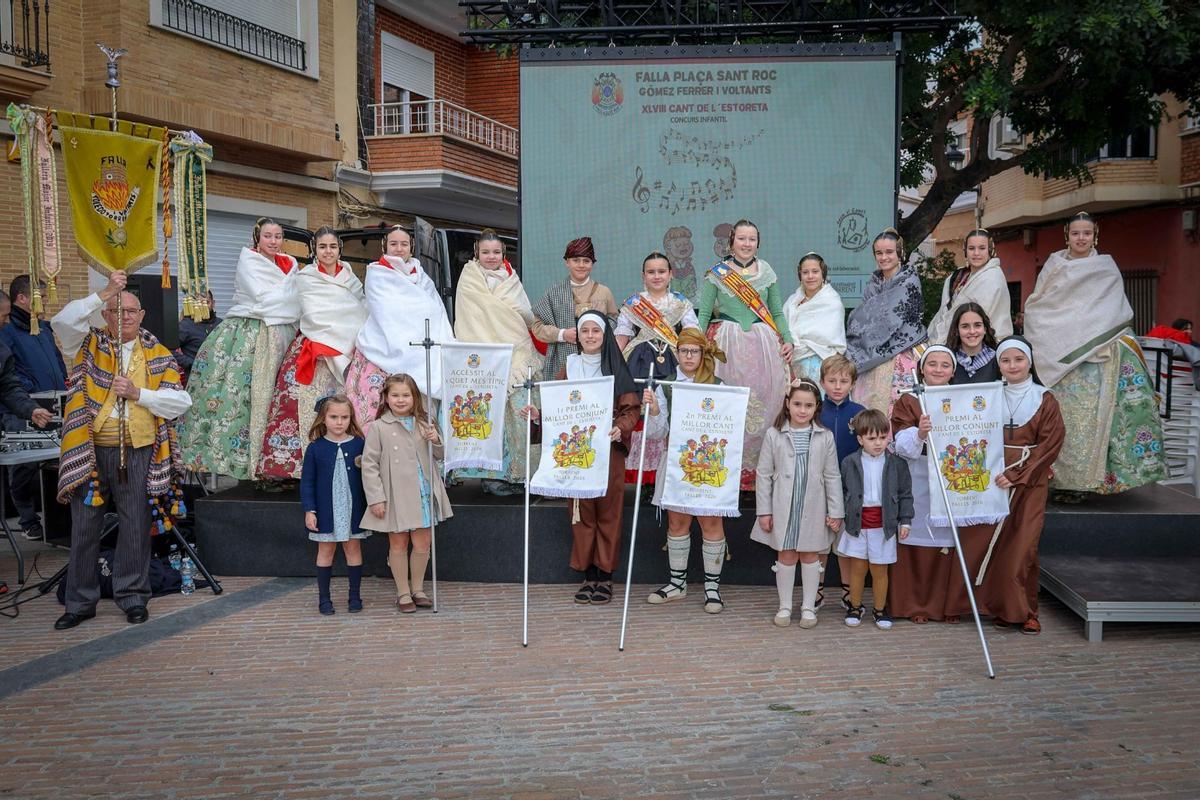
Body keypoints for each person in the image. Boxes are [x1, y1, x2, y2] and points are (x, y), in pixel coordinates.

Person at [51, 272, 192, 630]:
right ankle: (80, 602)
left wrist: (138, 394)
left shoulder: (159, 354)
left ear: (142, 315)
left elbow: (180, 402)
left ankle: (133, 597)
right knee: (83, 527)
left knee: (135, 525)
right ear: (105, 316)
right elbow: (62, 321)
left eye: (130, 310)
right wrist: (106, 292)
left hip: (139, 449)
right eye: (116, 310)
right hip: (92, 449)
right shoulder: (86, 344)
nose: (124, 316)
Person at [1023, 211, 1165, 496]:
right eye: (1075, 233)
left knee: (1096, 422)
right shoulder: (1054, 265)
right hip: (1060, 360)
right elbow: (1038, 307)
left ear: (1095, 235)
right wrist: (1059, 338)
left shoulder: (1105, 267)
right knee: (1066, 422)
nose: (1081, 238)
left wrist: (1090, 336)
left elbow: (1110, 312)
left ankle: (1092, 482)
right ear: (1067, 235)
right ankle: (1060, 482)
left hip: (1098, 356)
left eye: (1086, 233)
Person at [521, 312, 641, 605]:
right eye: (584, 331)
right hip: (576, 453)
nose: (589, 336)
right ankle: (588, 575)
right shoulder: (570, 365)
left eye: (595, 331)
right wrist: (540, 417)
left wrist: (620, 428)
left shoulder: (615, 366)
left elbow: (631, 410)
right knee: (582, 513)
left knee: (608, 514)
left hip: (608, 451)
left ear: (604, 336)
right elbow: (560, 408)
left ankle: (605, 575)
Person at [179, 218, 300, 479]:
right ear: (258, 237)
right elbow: (260, 297)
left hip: (282, 332)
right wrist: (287, 304)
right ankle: (239, 459)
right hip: (250, 330)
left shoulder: (290, 265)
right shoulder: (249, 260)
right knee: (242, 397)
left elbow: (294, 297)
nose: (273, 241)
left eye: (278, 236)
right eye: (268, 236)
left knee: (276, 397)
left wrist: (288, 304)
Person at [258, 228, 367, 479]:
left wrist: (348, 338)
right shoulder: (306, 278)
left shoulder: (351, 278)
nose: (328, 252)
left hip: (349, 349)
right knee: (293, 401)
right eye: (322, 247)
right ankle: (296, 469)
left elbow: (359, 312)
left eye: (332, 247)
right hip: (315, 346)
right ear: (314, 250)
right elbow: (313, 313)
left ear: (340, 249)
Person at [696, 219, 794, 489]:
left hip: (763, 345)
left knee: (766, 405)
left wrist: (788, 340)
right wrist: (695, 343)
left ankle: (760, 474)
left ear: (758, 243)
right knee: (729, 407)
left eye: (752, 239)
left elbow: (775, 312)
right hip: (727, 345)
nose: (746, 244)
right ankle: (725, 472)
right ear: (731, 242)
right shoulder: (717, 272)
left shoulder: (768, 271)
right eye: (741, 238)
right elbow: (704, 313)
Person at [980, 337, 1065, 634]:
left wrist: (1018, 474)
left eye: (1018, 359)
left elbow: (1050, 445)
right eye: (1005, 360)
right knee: (998, 547)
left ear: (1029, 362)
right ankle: (1002, 608)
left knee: (1023, 547)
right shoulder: (990, 396)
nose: (1012, 365)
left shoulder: (1045, 398)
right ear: (999, 365)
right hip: (994, 480)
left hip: (1029, 483)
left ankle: (1027, 610)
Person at [643, 327, 729, 613]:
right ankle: (677, 584)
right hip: (677, 465)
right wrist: (654, 411)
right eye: (683, 351)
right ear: (676, 354)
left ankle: (712, 588)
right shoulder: (665, 385)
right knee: (678, 523)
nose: (689, 356)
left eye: (694, 351)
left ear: (703, 353)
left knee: (710, 523)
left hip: (709, 464)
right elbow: (657, 434)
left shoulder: (719, 385)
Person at [452, 228, 543, 495]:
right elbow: (471, 316)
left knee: (521, 412)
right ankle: (491, 476)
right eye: (485, 252)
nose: (491, 257)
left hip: (517, 351)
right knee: (488, 415)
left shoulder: (511, 278)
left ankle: (525, 474)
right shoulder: (469, 279)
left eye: (496, 252)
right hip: (485, 355)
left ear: (503, 254)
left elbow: (524, 314)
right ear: (476, 253)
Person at [888, 345, 973, 624]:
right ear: (921, 369)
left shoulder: (963, 399)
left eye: (945, 365)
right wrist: (920, 433)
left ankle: (946, 606)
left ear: (953, 371)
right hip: (919, 476)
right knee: (916, 538)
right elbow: (899, 442)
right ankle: (914, 605)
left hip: (952, 477)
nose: (938, 369)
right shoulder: (909, 400)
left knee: (946, 542)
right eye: (932, 364)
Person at [751, 379, 843, 629]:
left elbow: (832, 475)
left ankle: (808, 607)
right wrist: (764, 511)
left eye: (809, 405)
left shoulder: (825, 437)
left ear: (817, 408)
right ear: (787, 404)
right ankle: (785, 605)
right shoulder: (774, 434)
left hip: (813, 505)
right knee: (787, 553)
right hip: (784, 506)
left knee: (811, 554)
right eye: (798, 404)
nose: (803, 410)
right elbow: (763, 474)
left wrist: (836, 511)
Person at [345, 225, 454, 429]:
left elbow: (435, 309)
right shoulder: (377, 273)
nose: (399, 248)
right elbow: (386, 310)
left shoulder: (421, 275)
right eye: (393, 244)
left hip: (423, 348)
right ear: (385, 247)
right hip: (384, 347)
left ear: (411, 247)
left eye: (404, 244)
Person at [360, 373, 451, 613]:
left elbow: (441, 456)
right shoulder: (379, 427)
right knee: (398, 543)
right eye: (395, 395)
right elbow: (369, 465)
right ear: (386, 398)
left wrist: (437, 440)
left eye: (406, 395)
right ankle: (402, 592)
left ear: (414, 397)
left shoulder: (425, 423)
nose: (401, 400)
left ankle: (418, 589)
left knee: (422, 543)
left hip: (422, 493)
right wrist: (376, 498)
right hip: (395, 494)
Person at [614, 252, 698, 485]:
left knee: (672, 411)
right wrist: (611, 363)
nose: (657, 276)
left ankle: (668, 476)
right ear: (643, 276)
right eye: (651, 272)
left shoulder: (681, 302)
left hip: (673, 358)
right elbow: (622, 335)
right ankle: (643, 479)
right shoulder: (634, 303)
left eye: (661, 271)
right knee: (640, 411)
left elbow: (692, 333)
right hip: (638, 362)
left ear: (670, 274)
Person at [1, 276, 66, 541]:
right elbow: (10, 374)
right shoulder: (6, 330)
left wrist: (62, 381)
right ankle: (28, 519)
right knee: (23, 466)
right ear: (23, 298)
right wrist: (32, 393)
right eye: (41, 296)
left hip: (47, 404)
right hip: (21, 405)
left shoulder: (43, 327)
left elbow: (56, 359)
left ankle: (59, 521)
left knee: (57, 458)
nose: (45, 303)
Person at [836, 408, 913, 630]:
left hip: (884, 525)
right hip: (857, 524)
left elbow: (906, 494)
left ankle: (880, 609)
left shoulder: (897, 464)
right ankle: (855, 605)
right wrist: (837, 515)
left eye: (882, 437)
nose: (878, 443)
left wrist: (905, 520)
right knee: (857, 568)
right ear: (860, 439)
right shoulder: (849, 462)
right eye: (871, 438)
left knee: (880, 570)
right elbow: (842, 491)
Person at [845, 228, 927, 416]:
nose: (884, 257)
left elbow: (889, 319)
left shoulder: (909, 282)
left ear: (900, 253)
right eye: (879, 253)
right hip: (870, 351)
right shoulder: (873, 283)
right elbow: (860, 318)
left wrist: (867, 318)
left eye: (889, 252)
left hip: (901, 349)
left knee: (893, 407)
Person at [300, 394, 368, 616]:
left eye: (345, 417)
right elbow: (308, 482)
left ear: (351, 418)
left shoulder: (359, 443)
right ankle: (324, 600)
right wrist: (310, 510)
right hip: (326, 510)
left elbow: (369, 477)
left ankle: (355, 596)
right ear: (323, 418)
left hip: (352, 508)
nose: (339, 422)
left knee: (353, 548)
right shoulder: (316, 448)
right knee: (326, 550)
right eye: (334, 417)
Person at [531, 236, 619, 387]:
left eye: (586, 261)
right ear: (567, 262)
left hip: (598, 362)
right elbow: (537, 326)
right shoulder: (554, 292)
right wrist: (562, 334)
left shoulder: (604, 292)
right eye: (576, 260)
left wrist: (596, 333)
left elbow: (615, 322)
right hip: (562, 361)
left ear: (592, 264)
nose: (581, 265)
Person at [818, 354, 866, 610]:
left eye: (844, 381)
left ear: (852, 384)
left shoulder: (859, 413)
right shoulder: (814, 411)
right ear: (823, 382)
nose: (838, 386)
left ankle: (849, 593)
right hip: (819, 488)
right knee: (819, 544)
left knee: (846, 544)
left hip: (850, 489)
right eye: (832, 380)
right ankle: (817, 591)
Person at [927, 229, 1013, 345]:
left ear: (990, 250)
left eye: (982, 248)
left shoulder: (993, 277)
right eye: (971, 248)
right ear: (965, 251)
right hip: (950, 339)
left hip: (983, 344)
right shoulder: (957, 276)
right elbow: (944, 311)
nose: (976, 253)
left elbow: (981, 318)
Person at [782, 252, 847, 383]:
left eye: (815, 271)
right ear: (800, 275)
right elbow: (782, 328)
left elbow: (826, 335)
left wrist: (797, 341)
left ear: (823, 274)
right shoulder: (792, 301)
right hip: (790, 363)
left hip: (822, 363)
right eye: (805, 272)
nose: (810, 276)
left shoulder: (832, 301)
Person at [945, 303, 1001, 384]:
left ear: (985, 329)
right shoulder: (947, 360)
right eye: (965, 326)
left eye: (977, 325)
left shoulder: (999, 359)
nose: (972, 331)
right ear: (957, 331)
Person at [176, 291, 221, 382]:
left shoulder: (221, 324)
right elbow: (168, 349)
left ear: (213, 303)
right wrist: (191, 363)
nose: (202, 307)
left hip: (220, 378)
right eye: (199, 303)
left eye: (206, 302)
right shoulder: (185, 326)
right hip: (196, 380)